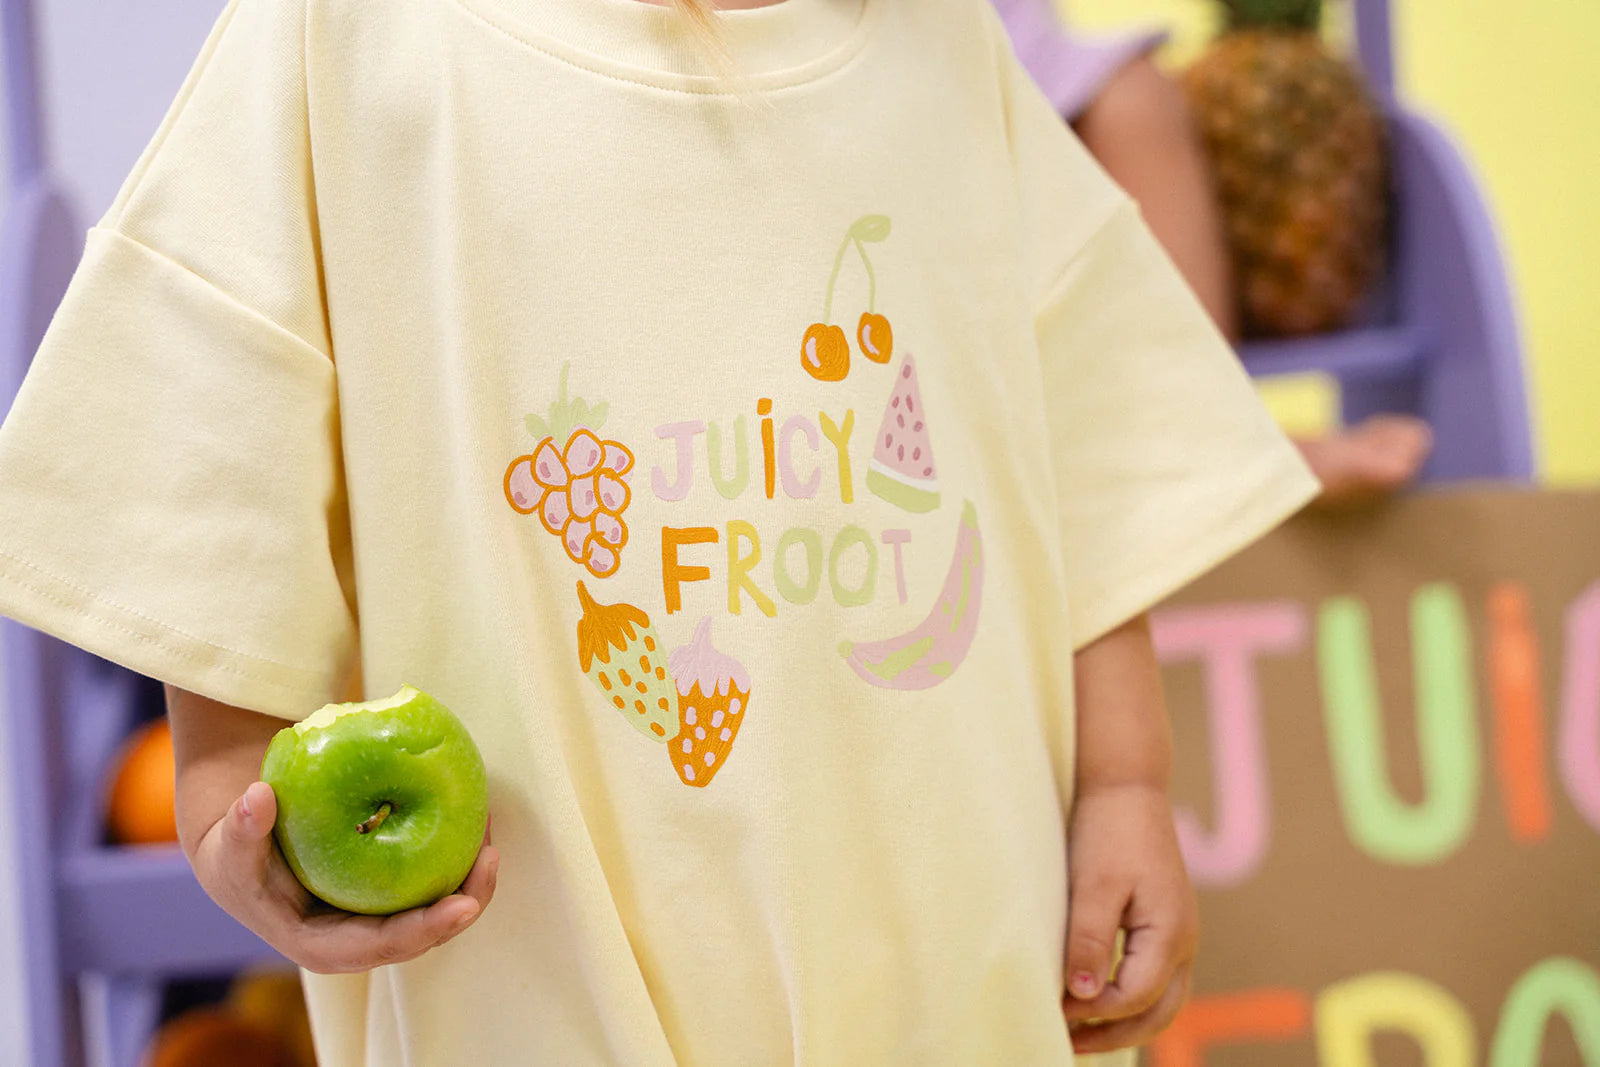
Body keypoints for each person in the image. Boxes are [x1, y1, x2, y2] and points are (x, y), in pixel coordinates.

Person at [0, 0, 1319, 1062]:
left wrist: (1129, 783)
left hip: (962, 957)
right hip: (535, 971)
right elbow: (206, 409)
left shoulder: (950, 50)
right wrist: (229, 774)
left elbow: (1086, 432)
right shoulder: (348, 37)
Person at [994, 0, 1433, 505]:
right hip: (917, 91)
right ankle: (1203, 442)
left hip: (1008, 58)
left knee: (1134, 98)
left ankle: (1212, 424)